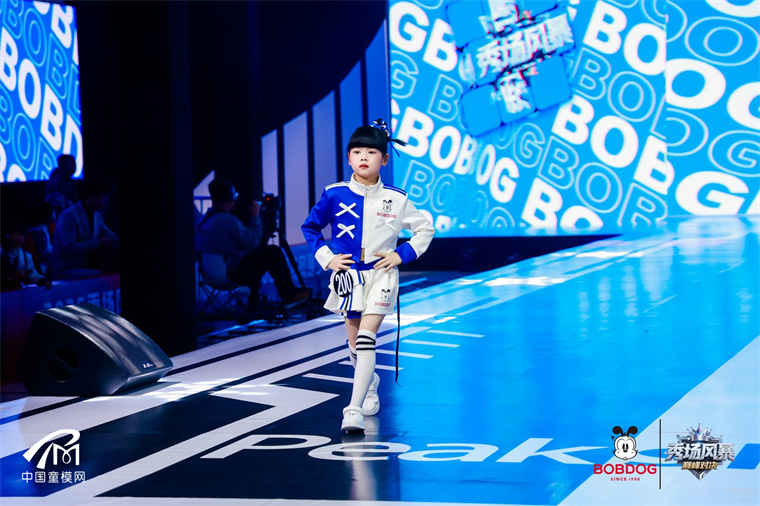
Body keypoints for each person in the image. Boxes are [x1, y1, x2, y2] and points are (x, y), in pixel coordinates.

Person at [301, 119, 435, 432]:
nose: (364, 156)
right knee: (354, 344)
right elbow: (310, 227)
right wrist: (328, 258)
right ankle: (369, 384)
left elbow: (425, 229)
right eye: (357, 151)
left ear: (384, 159)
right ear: (348, 158)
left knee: (366, 339)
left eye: (372, 152)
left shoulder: (397, 198)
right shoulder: (334, 194)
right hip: (348, 277)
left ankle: (353, 409)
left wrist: (400, 255)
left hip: (381, 275)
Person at [195, 177, 311, 310]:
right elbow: (254, 242)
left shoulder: (205, 219)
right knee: (273, 252)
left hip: (208, 275)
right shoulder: (227, 220)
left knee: (255, 256)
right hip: (231, 274)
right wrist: (255, 215)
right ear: (230, 196)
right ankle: (289, 295)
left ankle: (255, 299)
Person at [51, 174, 119, 279]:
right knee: (101, 277)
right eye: (103, 196)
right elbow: (68, 247)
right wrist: (98, 243)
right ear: (91, 195)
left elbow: (108, 235)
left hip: (83, 266)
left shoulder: (97, 215)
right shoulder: (69, 215)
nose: (106, 201)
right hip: (64, 268)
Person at [1, 220, 52, 291]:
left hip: (17, 292)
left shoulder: (26, 256)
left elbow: (32, 274)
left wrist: (42, 281)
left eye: (19, 234)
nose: (16, 237)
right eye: (12, 234)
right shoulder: (2, 252)